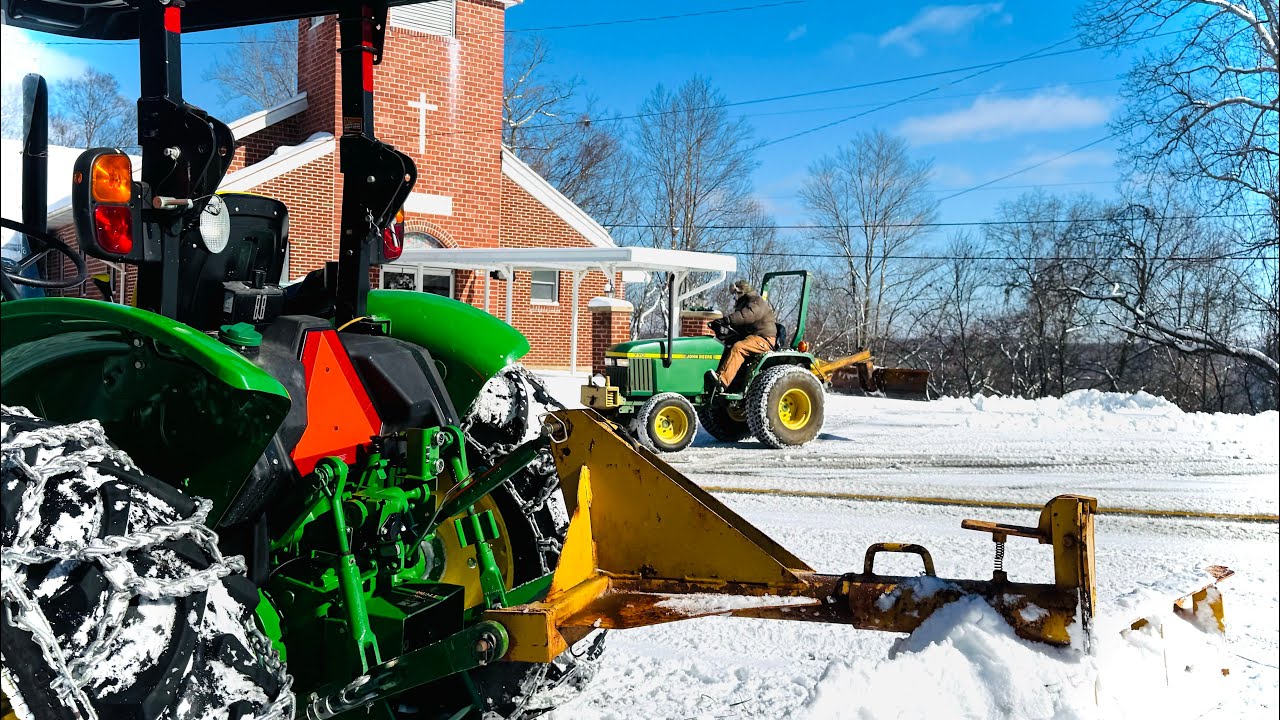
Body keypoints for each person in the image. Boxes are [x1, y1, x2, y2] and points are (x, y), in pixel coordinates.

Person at [707, 279, 777, 390]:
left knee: (739, 347)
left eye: (735, 293)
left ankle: (722, 381)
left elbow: (746, 316)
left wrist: (727, 320)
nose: (734, 297)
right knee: (725, 345)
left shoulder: (755, 302)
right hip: (752, 336)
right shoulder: (744, 303)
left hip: (763, 338)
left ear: (742, 291)